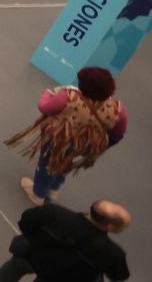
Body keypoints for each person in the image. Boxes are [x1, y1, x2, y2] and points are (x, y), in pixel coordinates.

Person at [8, 66, 128, 205]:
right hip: (86, 144)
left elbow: (44, 106)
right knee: (66, 164)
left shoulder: (69, 96)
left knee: (48, 164)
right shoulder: (118, 108)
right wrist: (100, 146)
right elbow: (119, 133)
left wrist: (48, 92)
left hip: (59, 139)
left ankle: (38, 194)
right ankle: (53, 189)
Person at [0, 200, 131, 282]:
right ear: (110, 226)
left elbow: (26, 221)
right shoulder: (112, 253)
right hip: (58, 281)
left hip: (32, 255)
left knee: (12, 270)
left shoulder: (54, 212)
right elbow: (119, 275)